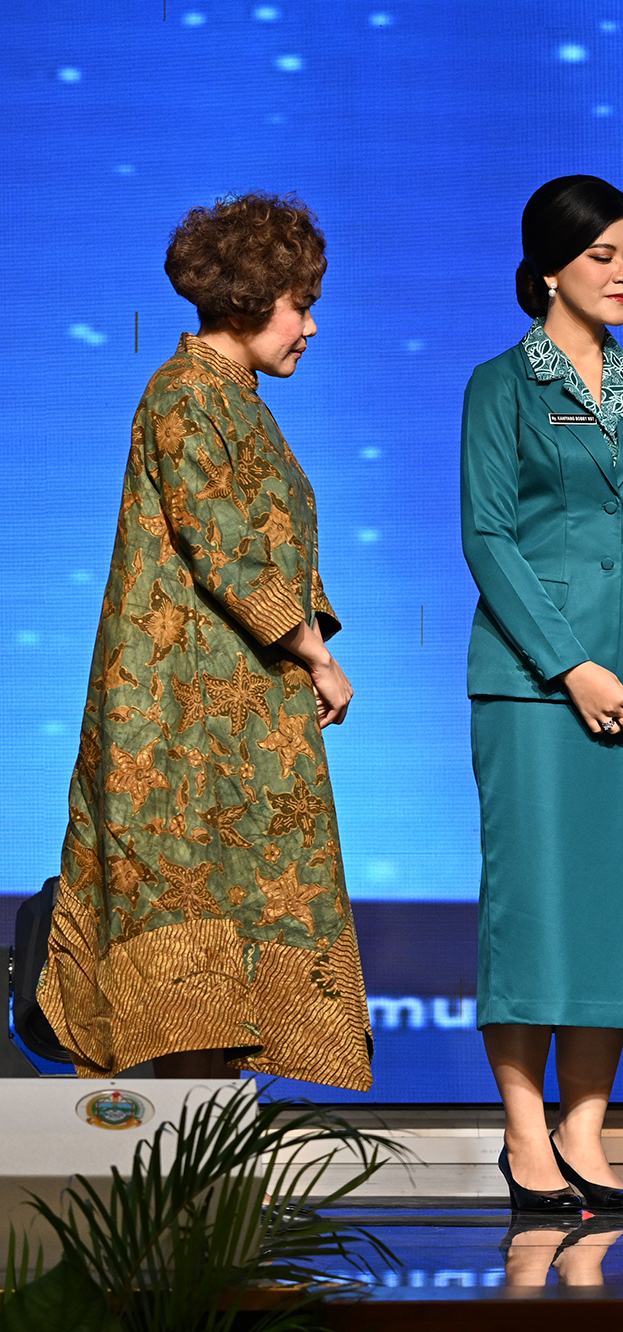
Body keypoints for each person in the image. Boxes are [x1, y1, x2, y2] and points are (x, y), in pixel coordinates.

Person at [39, 193, 371, 1088]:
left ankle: (205, 1187)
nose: (310, 325)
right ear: (247, 298)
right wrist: (316, 652)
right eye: (298, 304)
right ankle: (170, 1202)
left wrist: (304, 645)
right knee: (184, 921)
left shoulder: (241, 402)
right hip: (181, 720)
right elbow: (219, 539)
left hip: (236, 716)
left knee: (229, 937)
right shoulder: (185, 395)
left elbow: (278, 548)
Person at [461, 175, 623, 1214]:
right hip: (535, 686)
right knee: (535, 911)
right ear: (551, 265)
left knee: (614, 909)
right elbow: (488, 537)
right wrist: (572, 665)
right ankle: (525, 1137)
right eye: (604, 256)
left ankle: (585, 1129)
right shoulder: (499, 385)